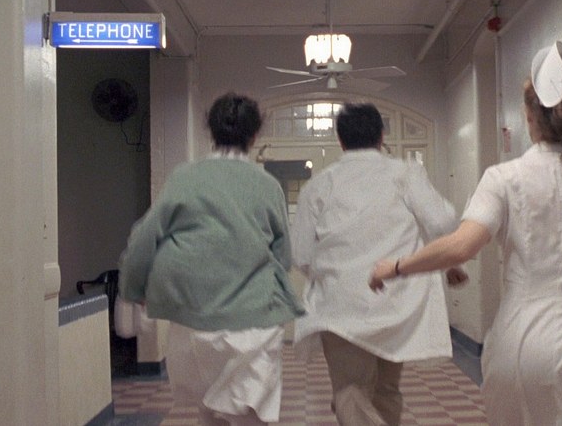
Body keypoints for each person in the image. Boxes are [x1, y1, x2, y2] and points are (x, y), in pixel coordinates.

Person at [370, 41, 562, 425]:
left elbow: (461, 247)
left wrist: (395, 266)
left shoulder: (505, 178)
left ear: (530, 117)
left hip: (526, 343)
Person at [117, 93, 304, 426]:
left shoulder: (185, 178)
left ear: (211, 131)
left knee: (208, 408)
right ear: (254, 135)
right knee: (248, 410)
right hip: (254, 319)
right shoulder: (267, 186)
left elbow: (144, 238)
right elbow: (283, 256)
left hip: (194, 317)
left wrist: (133, 289)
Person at [290, 103, 467, 426]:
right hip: (394, 304)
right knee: (386, 390)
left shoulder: (319, 185)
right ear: (381, 136)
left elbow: (301, 254)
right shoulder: (404, 174)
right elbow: (442, 221)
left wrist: (331, 273)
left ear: (340, 140)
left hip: (339, 306)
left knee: (350, 390)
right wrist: (437, 260)